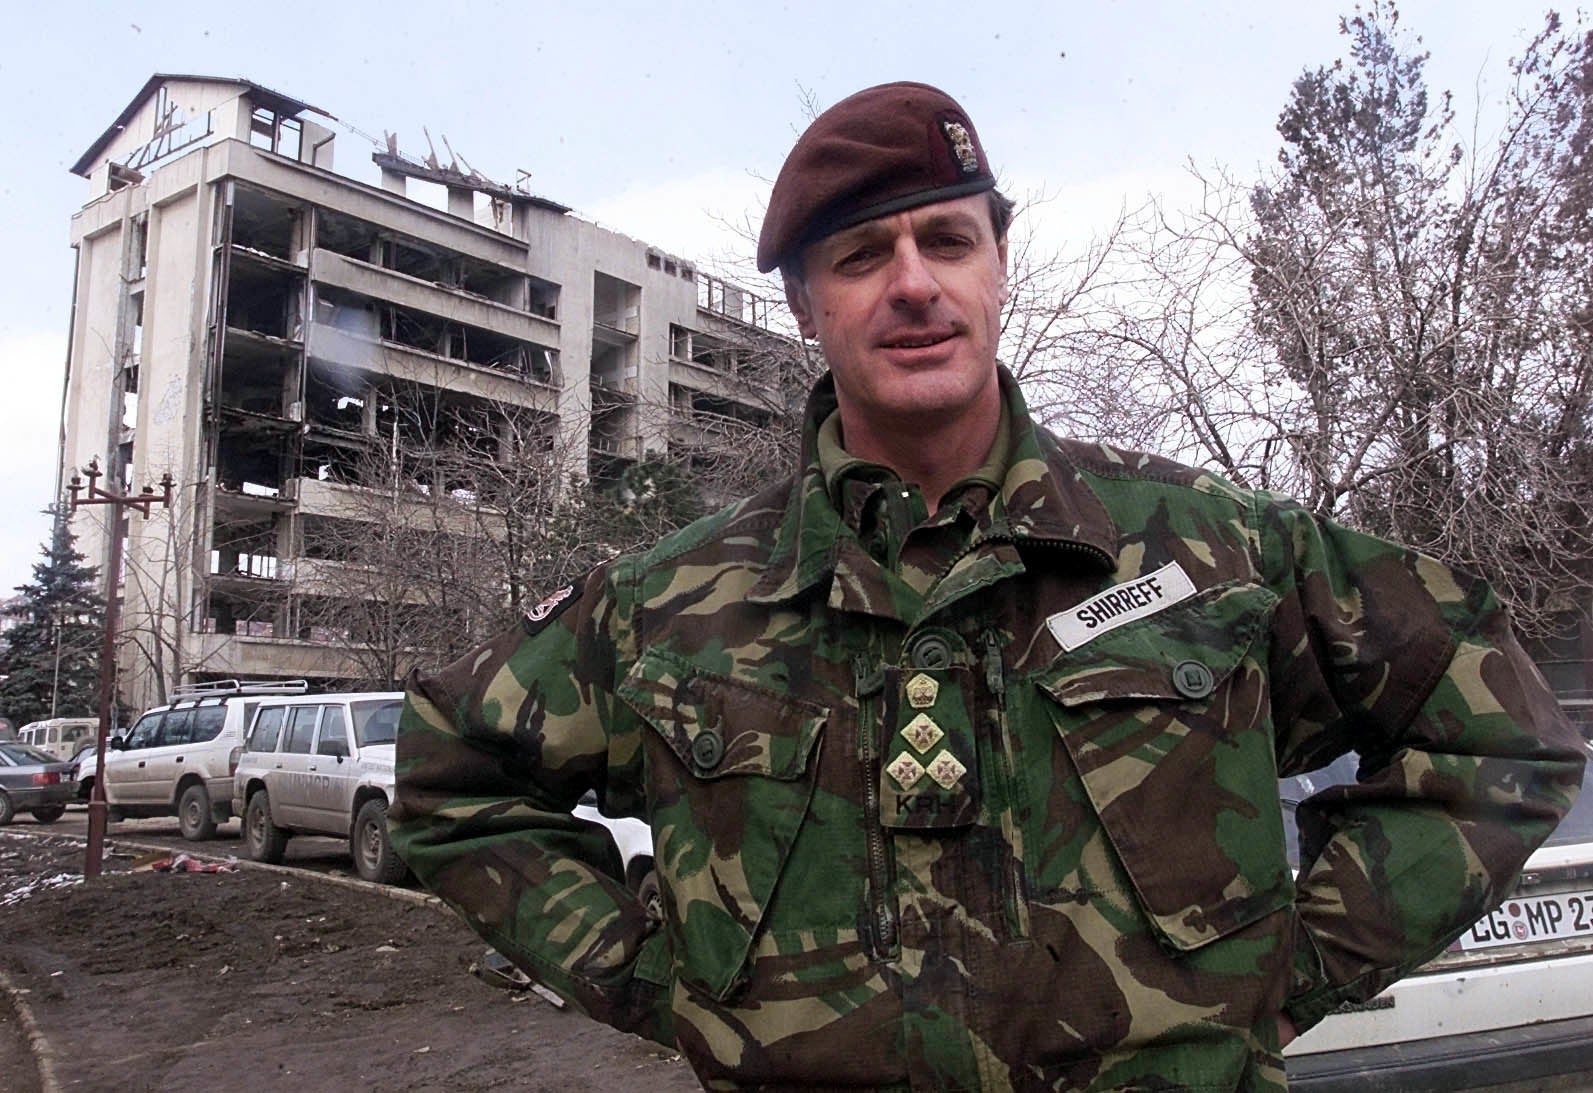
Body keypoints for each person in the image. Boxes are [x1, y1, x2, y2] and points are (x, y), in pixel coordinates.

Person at [391, 82, 1586, 1091]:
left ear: (999, 265)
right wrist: (662, 983)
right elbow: (453, 779)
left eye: (947, 242)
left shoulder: (1213, 552)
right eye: (863, 257)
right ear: (807, 307)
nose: (914, 284)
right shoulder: (671, 599)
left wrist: (1293, 963)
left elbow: (1498, 737)